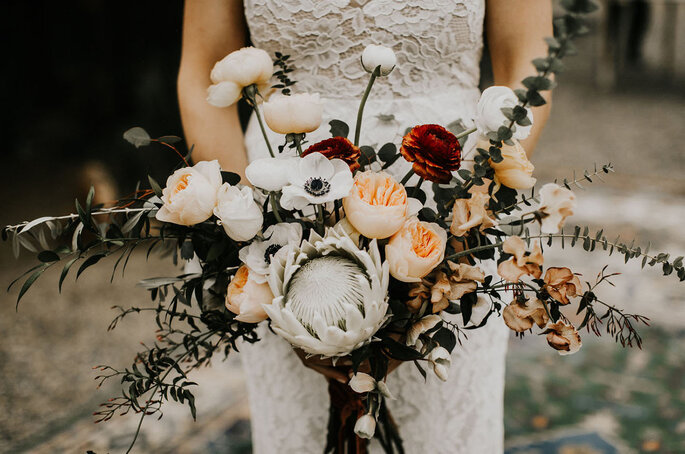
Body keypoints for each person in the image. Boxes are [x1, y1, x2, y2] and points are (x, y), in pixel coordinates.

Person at [177, 1, 552, 452]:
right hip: (281, 217)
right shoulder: (269, 233)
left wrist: (463, 228)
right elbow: (203, 74)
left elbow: (528, 66)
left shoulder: (456, 230)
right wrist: (253, 238)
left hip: (451, 217)